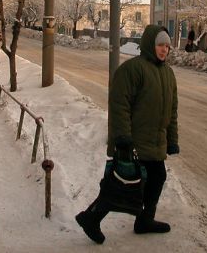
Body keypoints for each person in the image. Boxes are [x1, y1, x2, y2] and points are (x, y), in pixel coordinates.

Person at [76, 24, 179, 244]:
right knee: (122, 183)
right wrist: (122, 136)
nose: (164, 50)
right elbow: (119, 104)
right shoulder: (133, 69)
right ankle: (91, 217)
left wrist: (172, 140)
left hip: (155, 141)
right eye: (160, 45)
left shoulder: (168, 74)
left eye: (167, 46)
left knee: (155, 177)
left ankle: (143, 220)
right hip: (135, 140)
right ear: (150, 44)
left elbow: (172, 110)